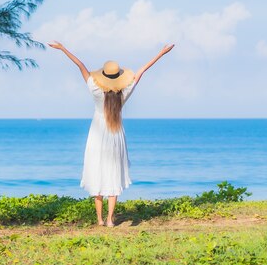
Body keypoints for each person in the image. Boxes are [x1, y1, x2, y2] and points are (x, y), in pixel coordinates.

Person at [49, 41, 174, 227]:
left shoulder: (95, 91)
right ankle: (109, 220)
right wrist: (161, 53)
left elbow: (80, 65)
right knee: (113, 176)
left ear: (103, 76)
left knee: (97, 173)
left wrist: (63, 49)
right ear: (118, 78)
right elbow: (141, 71)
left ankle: (99, 219)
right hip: (116, 137)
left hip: (97, 138)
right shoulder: (123, 94)